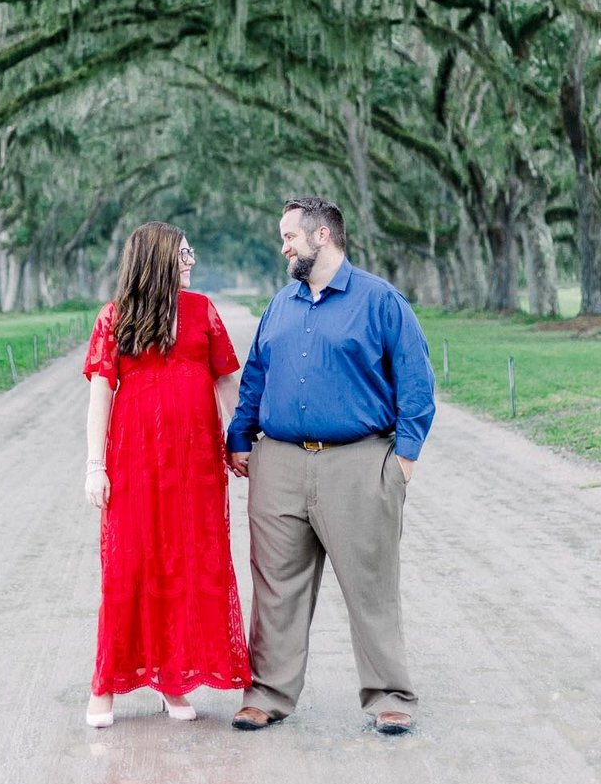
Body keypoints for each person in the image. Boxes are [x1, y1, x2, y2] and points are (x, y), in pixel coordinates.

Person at [226, 197, 435, 736]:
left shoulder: (380, 301)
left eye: (290, 236)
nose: (283, 246)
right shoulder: (280, 304)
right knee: (275, 587)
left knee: (370, 586)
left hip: (359, 464)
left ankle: (389, 696)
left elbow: (417, 384)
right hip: (280, 464)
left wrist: (402, 462)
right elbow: (256, 376)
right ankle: (267, 694)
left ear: (322, 236)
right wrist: (240, 436)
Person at [81, 221, 251, 728]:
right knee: (128, 571)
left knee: (187, 567)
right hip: (133, 466)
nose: (191, 260)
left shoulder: (202, 312)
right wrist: (95, 466)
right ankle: (105, 688)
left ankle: (173, 680)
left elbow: (226, 383)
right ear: (156, 258)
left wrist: (239, 440)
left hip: (195, 467)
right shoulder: (115, 319)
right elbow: (100, 397)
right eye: (183, 253)